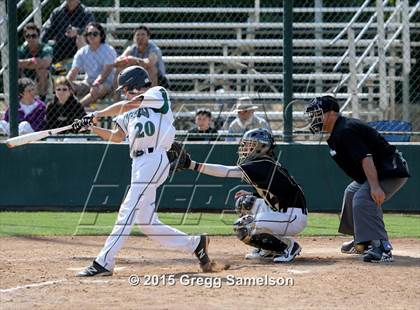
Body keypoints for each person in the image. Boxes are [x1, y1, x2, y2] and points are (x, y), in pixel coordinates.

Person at [72, 66, 219, 276]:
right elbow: (117, 137)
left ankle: (104, 262)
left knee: (127, 210)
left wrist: (96, 113)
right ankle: (196, 244)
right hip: (138, 163)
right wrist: (90, 126)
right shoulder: (128, 112)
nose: (124, 92)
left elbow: (129, 103)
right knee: (147, 222)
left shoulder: (157, 93)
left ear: (135, 84)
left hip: (155, 157)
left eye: (126, 88)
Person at [305, 96, 410, 263]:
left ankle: (382, 247)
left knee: (364, 199)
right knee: (352, 193)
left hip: (390, 171)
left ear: (332, 114)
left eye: (318, 114)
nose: (313, 119)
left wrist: (375, 187)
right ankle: (363, 240)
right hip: (380, 171)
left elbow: (366, 158)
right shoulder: (336, 131)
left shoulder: (345, 129)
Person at [188, 128, 307, 263]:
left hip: (292, 217)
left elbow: (226, 171)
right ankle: (267, 249)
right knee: (245, 202)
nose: (245, 148)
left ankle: (289, 246)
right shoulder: (264, 163)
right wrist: (252, 194)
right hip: (286, 212)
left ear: (262, 146)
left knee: (244, 227)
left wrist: (194, 165)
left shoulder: (262, 164)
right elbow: (277, 191)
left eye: (250, 144)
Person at [67, 22, 117, 107]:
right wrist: (66, 83)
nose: (91, 36)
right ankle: (63, 108)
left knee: (97, 89)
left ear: (101, 35)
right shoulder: (82, 52)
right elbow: (73, 72)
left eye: (95, 33)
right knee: (65, 86)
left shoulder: (109, 50)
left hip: (106, 84)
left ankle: (77, 108)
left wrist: (96, 83)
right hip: (88, 83)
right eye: (89, 34)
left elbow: (105, 73)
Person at [114, 25, 168, 95]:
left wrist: (134, 60)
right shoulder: (132, 48)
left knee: (152, 69)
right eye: (138, 35)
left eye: (143, 34)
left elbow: (150, 63)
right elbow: (116, 62)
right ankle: (117, 101)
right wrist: (128, 59)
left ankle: (152, 99)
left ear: (148, 37)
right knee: (119, 69)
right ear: (134, 37)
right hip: (137, 77)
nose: (140, 37)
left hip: (159, 80)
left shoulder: (154, 49)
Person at [18, 23, 53, 100]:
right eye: (28, 36)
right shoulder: (21, 50)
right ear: (25, 37)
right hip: (25, 78)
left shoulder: (46, 48)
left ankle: (41, 99)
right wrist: (33, 61)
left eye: (34, 36)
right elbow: (15, 63)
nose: (31, 39)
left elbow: (46, 63)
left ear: (38, 36)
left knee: (41, 69)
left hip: (42, 80)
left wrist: (24, 63)